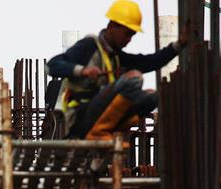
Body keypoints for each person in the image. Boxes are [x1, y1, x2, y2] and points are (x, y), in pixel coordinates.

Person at [47, 0, 185, 140]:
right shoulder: (89, 46)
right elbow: (52, 65)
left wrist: (179, 45)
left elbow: (150, 62)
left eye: (132, 35)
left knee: (153, 96)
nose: (129, 39)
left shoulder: (116, 57)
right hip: (81, 118)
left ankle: (105, 130)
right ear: (112, 26)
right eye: (127, 34)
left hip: (100, 117)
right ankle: (97, 132)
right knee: (134, 79)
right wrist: (82, 71)